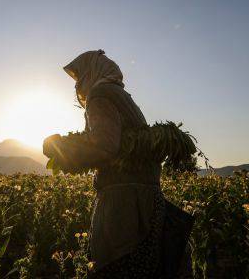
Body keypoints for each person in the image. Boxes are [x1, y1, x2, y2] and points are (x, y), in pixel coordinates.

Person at [43, 50, 193, 278]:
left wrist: (60, 148)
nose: (77, 86)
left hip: (124, 206)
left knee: (119, 266)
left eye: (79, 76)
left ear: (91, 73)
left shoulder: (100, 95)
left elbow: (104, 145)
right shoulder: (122, 96)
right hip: (145, 199)